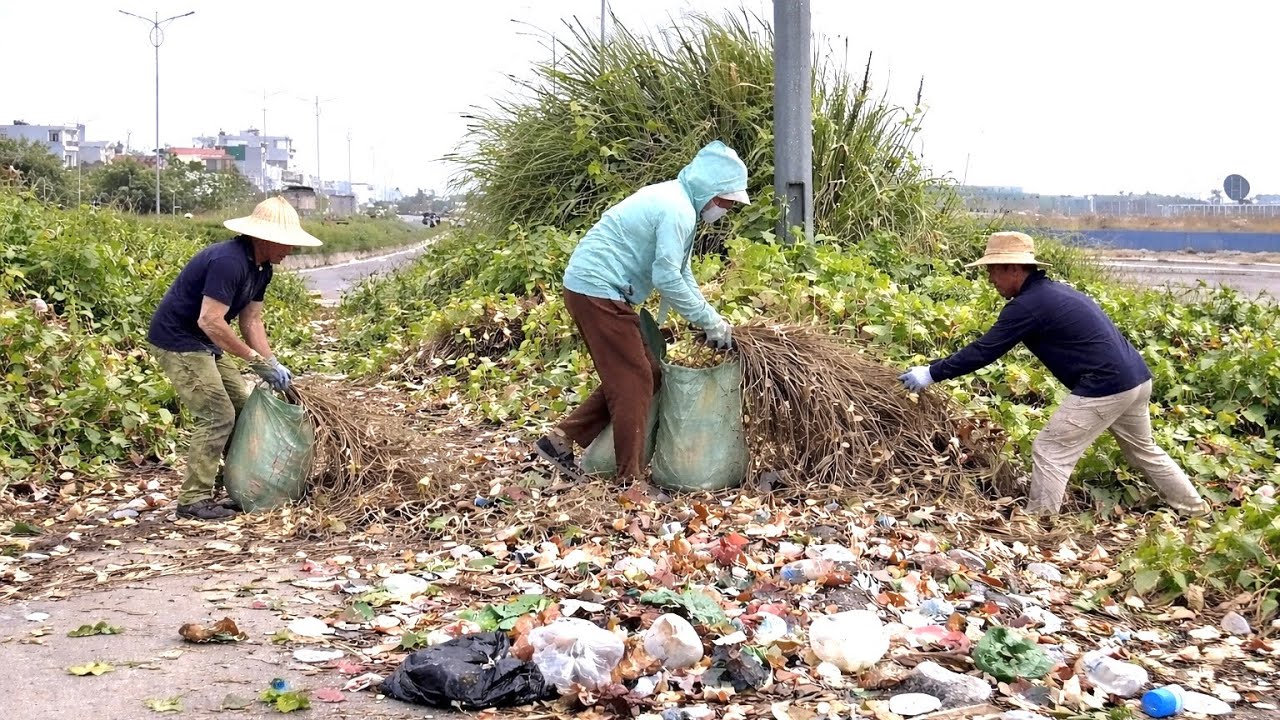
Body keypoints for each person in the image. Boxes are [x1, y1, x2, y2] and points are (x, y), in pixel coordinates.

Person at [898, 231, 1209, 517]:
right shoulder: (1054, 293)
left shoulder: (1028, 305)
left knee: (1050, 450)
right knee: (1143, 450)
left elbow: (984, 350)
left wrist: (931, 373)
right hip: (1136, 378)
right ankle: (1195, 510)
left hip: (1106, 385)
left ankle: (1039, 524)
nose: (990, 278)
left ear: (1014, 269)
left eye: (993, 270)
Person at [534, 140, 750, 484]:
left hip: (597, 290)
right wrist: (709, 321)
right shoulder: (676, 208)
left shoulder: (681, 204)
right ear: (711, 189)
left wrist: (712, 318)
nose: (725, 208)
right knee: (635, 380)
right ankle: (628, 480)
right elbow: (666, 277)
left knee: (646, 370)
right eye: (726, 200)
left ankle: (561, 438)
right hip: (597, 291)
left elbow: (681, 272)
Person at [147, 196, 322, 520]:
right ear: (263, 238)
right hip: (178, 340)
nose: (290, 250)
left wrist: (271, 364)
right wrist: (255, 361)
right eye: (285, 243)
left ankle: (240, 485)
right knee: (217, 415)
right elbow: (210, 320)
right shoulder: (229, 261)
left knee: (243, 408)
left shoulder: (262, 269)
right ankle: (193, 500)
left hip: (205, 342)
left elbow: (251, 320)